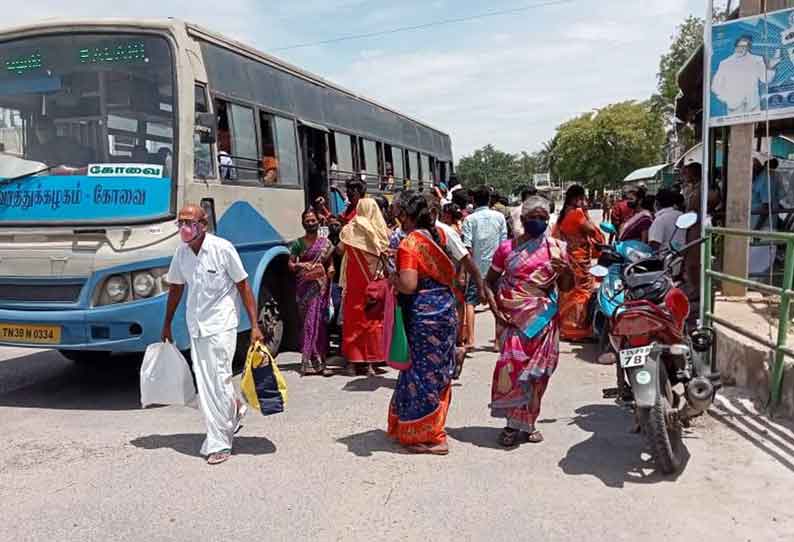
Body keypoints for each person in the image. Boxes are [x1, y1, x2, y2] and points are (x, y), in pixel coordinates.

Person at [161, 204, 264, 465]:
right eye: (180, 222)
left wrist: (254, 325)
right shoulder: (182, 254)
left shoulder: (222, 249)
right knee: (207, 383)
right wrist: (167, 323)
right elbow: (175, 288)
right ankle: (235, 409)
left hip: (222, 325)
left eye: (190, 222)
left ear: (203, 225)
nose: (184, 228)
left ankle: (219, 441)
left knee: (217, 380)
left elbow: (244, 286)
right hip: (196, 326)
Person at [485, 196, 573, 447]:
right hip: (514, 320)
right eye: (533, 217)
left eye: (543, 218)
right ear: (523, 220)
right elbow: (489, 281)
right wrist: (494, 309)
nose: (539, 222)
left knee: (538, 376)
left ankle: (529, 422)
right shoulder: (506, 249)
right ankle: (512, 426)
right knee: (512, 370)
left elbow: (566, 286)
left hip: (543, 320)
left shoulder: (557, 248)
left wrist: (565, 270)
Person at [388, 193, 460, 455]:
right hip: (446, 312)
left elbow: (408, 285)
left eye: (398, 214)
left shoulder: (410, 244)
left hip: (424, 318)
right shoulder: (438, 237)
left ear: (406, 216)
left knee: (420, 374)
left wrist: (392, 277)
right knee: (437, 372)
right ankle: (415, 427)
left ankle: (426, 435)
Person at [338, 198, 391, 376]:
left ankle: (352, 363)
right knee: (372, 321)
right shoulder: (381, 232)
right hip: (374, 283)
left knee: (352, 322)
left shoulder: (349, 230)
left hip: (354, 282)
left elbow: (340, 250)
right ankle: (370, 363)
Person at [552, 184, 604, 342]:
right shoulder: (577, 214)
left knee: (568, 293)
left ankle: (565, 327)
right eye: (583, 198)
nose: (585, 201)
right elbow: (594, 233)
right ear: (576, 198)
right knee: (582, 293)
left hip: (569, 258)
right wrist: (586, 214)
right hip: (580, 260)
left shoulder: (564, 215)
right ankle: (577, 330)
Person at [289, 209, 335, 376]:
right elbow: (291, 264)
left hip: (321, 287)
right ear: (303, 224)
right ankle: (308, 361)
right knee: (309, 323)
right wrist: (302, 265)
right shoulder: (298, 243)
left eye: (313, 220)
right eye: (307, 221)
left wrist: (330, 269)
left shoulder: (326, 243)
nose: (310, 223)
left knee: (319, 323)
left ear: (318, 222)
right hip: (304, 288)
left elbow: (330, 262)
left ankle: (320, 362)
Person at [461, 186, 508, 350]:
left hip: (476, 268)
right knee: (498, 302)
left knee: (470, 302)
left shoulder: (469, 220)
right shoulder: (500, 217)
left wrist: (467, 270)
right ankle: (497, 341)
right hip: (497, 268)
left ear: (474, 201)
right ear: (489, 200)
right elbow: (504, 245)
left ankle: (471, 340)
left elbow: (467, 247)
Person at [712, 35, 781, 115]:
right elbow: (715, 86)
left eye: (745, 46)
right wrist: (727, 99)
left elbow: (765, 79)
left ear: (748, 48)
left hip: (753, 106)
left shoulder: (757, 60)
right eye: (739, 46)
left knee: (755, 127)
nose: (741, 49)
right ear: (735, 46)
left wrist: (771, 67)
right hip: (734, 108)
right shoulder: (725, 63)